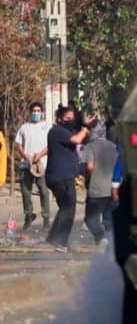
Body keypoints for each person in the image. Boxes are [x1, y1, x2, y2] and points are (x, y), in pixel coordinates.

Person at [45, 106, 91, 251]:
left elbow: (81, 140)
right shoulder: (57, 131)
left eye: (72, 118)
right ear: (59, 119)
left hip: (62, 175)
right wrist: (84, 129)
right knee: (68, 208)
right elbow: (77, 139)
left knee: (65, 207)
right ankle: (60, 241)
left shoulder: (64, 131)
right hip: (61, 176)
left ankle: (53, 238)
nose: (71, 121)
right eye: (68, 118)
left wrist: (85, 127)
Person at [14, 102, 52, 231]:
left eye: (38, 111)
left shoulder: (47, 126)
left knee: (44, 191)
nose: (36, 113)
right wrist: (25, 155)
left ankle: (46, 218)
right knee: (26, 192)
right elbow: (18, 144)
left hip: (42, 164)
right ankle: (29, 215)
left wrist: (40, 155)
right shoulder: (24, 127)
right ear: (30, 113)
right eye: (34, 111)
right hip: (27, 165)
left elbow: (51, 145)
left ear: (42, 112)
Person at [83, 123, 119, 244]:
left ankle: (101, 238)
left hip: (96, 188)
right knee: (108, 218)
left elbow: (89, 167)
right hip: (113, 188)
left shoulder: (90, 146)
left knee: (90, 219)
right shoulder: (114, 146)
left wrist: (86, 179)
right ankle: (111, 243)